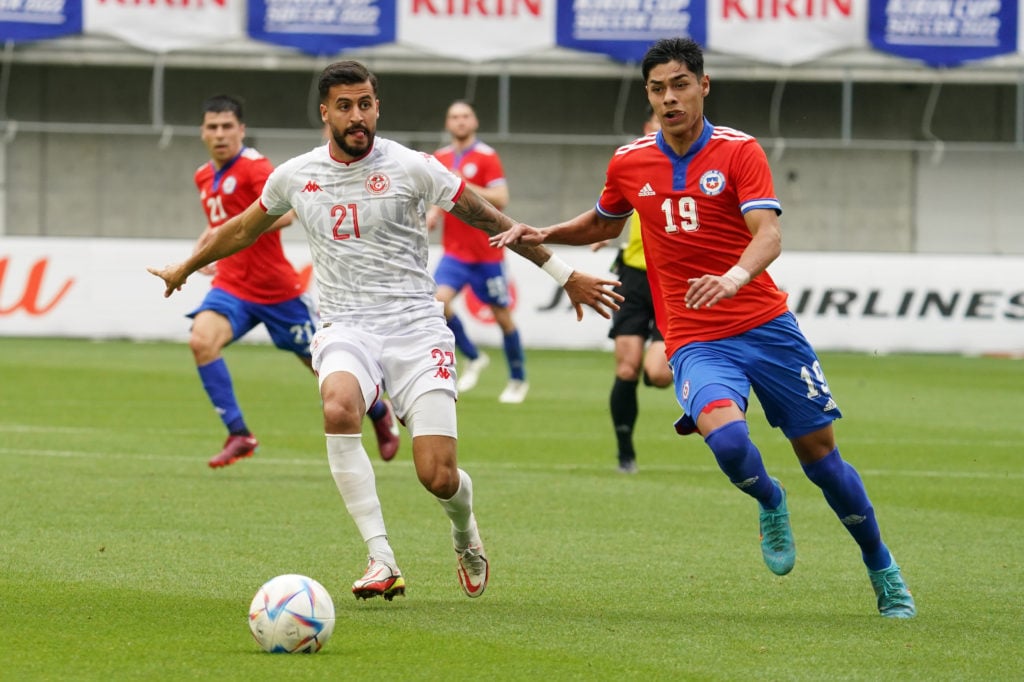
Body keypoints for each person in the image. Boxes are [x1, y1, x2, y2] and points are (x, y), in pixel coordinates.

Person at [150, 61, 622, 601]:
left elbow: (491, 219)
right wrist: (185, 268)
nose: (357, 116)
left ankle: (465, 532)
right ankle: (381, 558)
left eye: (365, 104)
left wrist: (564, 274)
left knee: (438, 476)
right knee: (337, 407)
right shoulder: (295, 175)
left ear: (377, 107)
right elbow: (239, 229)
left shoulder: (413, 166)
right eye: (345, 106)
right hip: (346, 327)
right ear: (325, 112)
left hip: (417, 331)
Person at [491, 38, 916, 619]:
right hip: (695, 337)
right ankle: (770, 498)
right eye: (657, 89)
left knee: (823, 461)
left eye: (680, 85)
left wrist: (734, 277)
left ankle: (882, 567)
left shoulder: (739, 151)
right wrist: (543, 232)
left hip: (767, 327)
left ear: (703, 85)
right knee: (730, 442)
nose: (669, 98)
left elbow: (768, 233)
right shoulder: (629, 161)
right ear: (647, 96)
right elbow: (604, 222)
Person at [188, 95, 399, 469]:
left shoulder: (255, 168)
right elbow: (220, 222)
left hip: (276, 292)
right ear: (203, 132)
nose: (219, 134)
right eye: (212, 127)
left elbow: (288, 212)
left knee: (326, 369)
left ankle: (379, 412)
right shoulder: (203, 175)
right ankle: (239, 434)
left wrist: (232, 229)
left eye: (227, 126)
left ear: (241, 130)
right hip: (232, 286)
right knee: (201, 341)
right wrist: (208, 246)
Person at [426, 100, 527, 403]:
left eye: (465, 116)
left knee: (502, 317)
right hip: (455, 253)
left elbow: (501, 198)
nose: (460, 121)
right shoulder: (440, 157)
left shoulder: (486, 156)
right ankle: (473, 355)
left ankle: (518, 379)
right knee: (436, 303)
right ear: (448, 123)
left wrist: (465, 185)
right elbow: (439, 195)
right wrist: (433, 212)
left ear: (475, 122)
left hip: (487, 253)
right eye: (454, 117)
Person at [593, 108, 673, 474]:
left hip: (671, 279)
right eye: (659, 117)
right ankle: (625, 454)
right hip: (634, 277)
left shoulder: (691, 162)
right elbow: (610, 205)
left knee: (658, 374)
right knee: (626, 368)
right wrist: (600, 232)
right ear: (648, 126)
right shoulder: (634, 162)